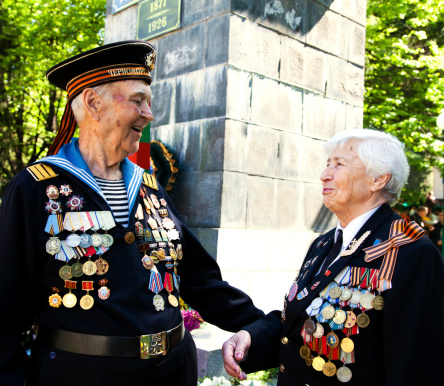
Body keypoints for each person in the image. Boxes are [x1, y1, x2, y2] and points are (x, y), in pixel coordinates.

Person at [0, 41, 264, 386]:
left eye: (149, 103)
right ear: (94, 103)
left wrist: (262, 327)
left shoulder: (149, 185)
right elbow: (5, 307)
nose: (149, 114)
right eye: (138, 101)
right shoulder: (35, 188)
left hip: (172, 372)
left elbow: (198, 277)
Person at [222, 128, 444, 385]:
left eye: (339, 165)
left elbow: (413, 366)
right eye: (328, 164)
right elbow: (304, 320)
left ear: (378, 179)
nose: (324, 175)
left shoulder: (411, 253)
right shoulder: (325, 242)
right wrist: (252, 337)